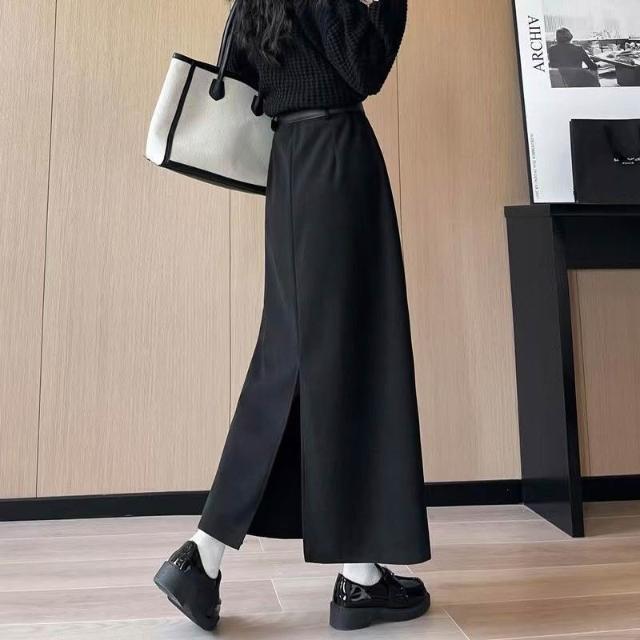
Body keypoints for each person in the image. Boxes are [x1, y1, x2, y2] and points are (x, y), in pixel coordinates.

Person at [153, 0, 431, 631]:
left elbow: (246, 75)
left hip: (292, 165)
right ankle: (208, 551)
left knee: (309, 357)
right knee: (341, 354)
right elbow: (363, 67)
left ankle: (354, 572)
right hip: (335, 163)